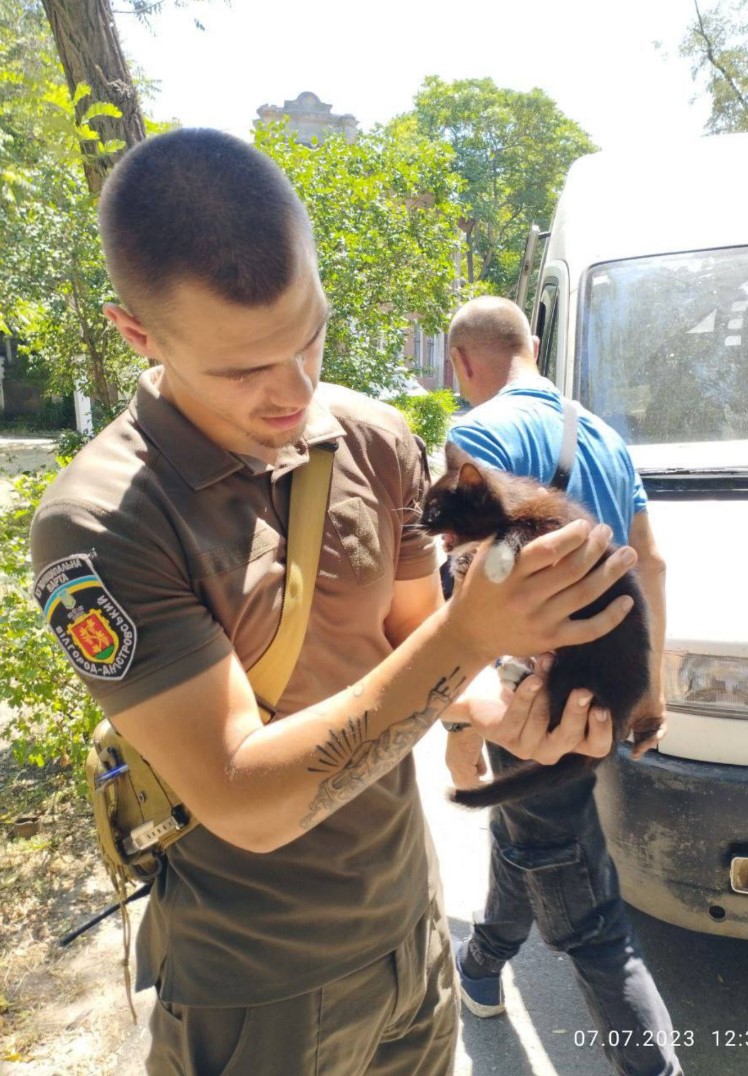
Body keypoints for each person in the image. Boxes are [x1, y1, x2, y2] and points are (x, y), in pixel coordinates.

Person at [28, 130, 639, 1076]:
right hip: (256, 988)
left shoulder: (372, 439)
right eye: (242, 369)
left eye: (309, 332)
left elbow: (411, 645)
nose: (296, 389)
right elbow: (244, 800)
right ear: (138, 334)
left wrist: (509, 708)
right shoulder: (100, 524)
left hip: (412, 938)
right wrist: (473, 631)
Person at [444, 296, 682, 1076]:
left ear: (461, 363)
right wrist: (649, 693)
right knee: (538, 831)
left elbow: (464, 601)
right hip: (605, 688)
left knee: (590, 919)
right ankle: (482, 964)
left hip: (531, 703)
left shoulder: (476, 438)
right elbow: (649, 561)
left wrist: (462, 729)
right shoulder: (605, 436)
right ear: (534, 347)